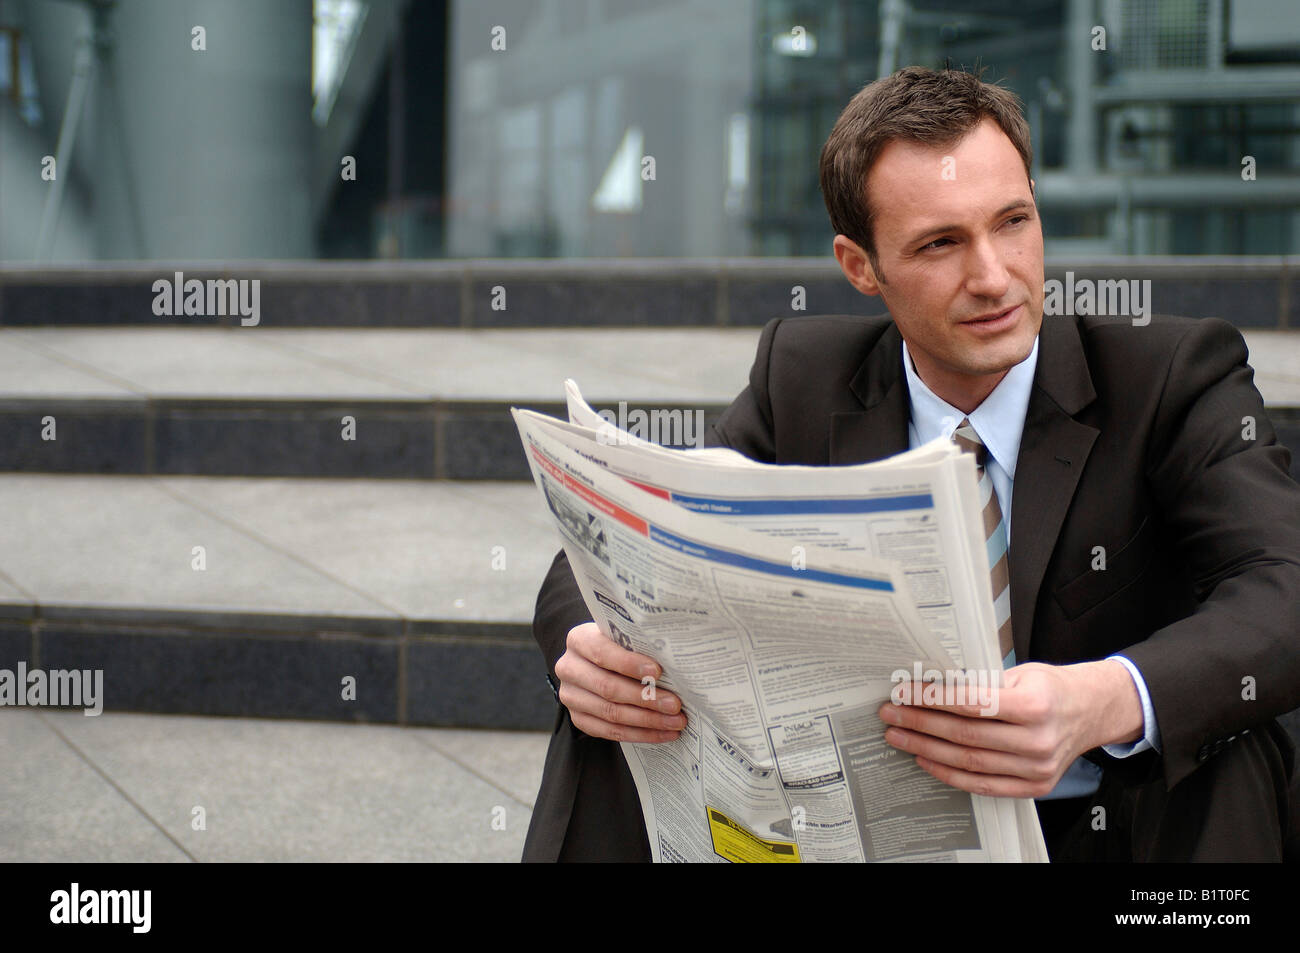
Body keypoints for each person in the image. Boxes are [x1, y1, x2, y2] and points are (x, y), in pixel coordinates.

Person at [522, 66, 1300, 862]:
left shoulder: (1171, 373)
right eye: (941, 243)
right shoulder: (804, 375)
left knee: (1226, 749)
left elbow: (1286, 585)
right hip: (861, 828)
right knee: (613, 716)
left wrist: (1101, 699)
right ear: (861, 266)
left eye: (1012, 222)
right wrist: (584, 646)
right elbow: (621, 536)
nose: (994, 275)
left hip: (1104, 823)